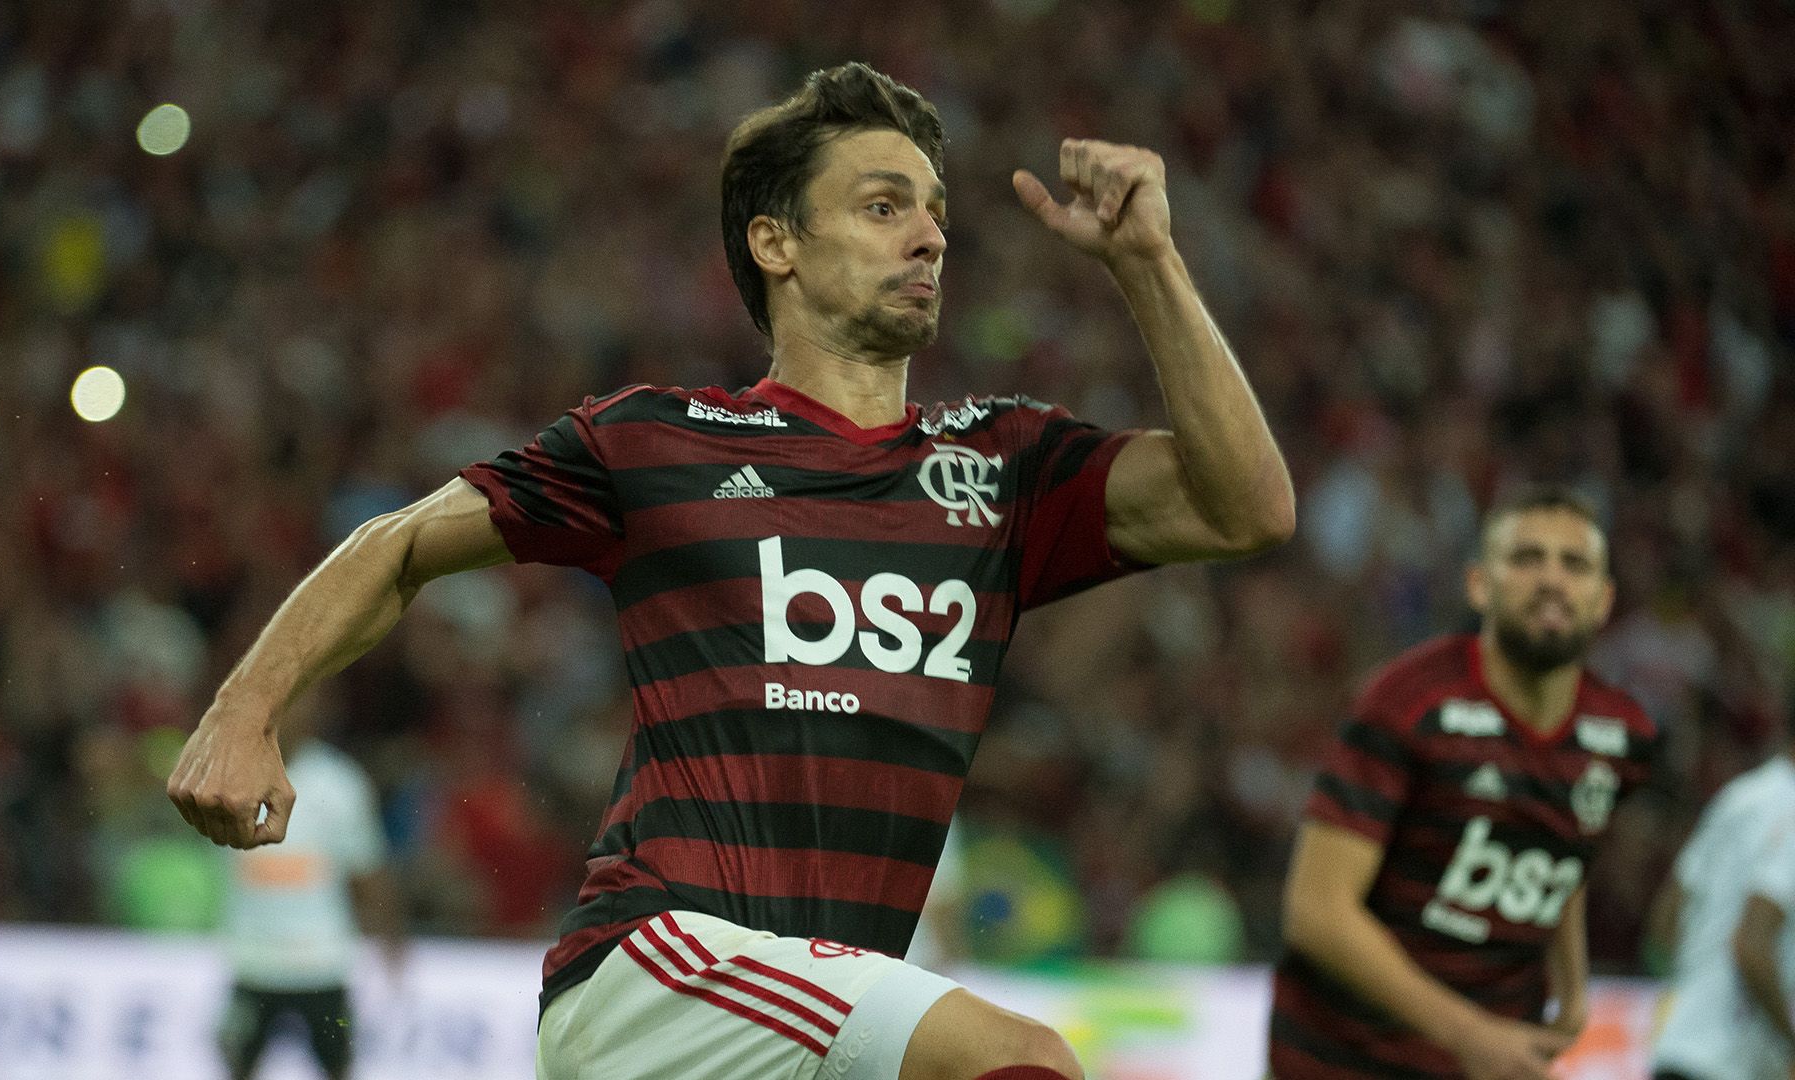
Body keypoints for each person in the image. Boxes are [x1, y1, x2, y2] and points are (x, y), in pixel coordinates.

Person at [168, 61, 1294, 1080]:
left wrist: (1147, 260)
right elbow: (401, 542)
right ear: (777, 244)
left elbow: (1245, 507)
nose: (931, 238)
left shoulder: (1002, 468)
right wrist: (244, 709)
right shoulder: (659, 442)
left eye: (937, 214)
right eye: (883, 205)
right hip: (655, 973)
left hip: (814, 1026)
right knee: (1022, 1065)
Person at [1269, 487, 1659, 1080]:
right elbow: (1317, 911)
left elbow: (1564, 851)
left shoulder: (1622, 734)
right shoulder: (1408, 704)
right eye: (1527, 558)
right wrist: (1471, 1035)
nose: (1552, 579)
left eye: (1574, 564)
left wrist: (1574, 987)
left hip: (1491, 1061)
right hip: (1345, 1059)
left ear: (1603, 600)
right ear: (1479, 585)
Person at [214, 694, 404, 1080]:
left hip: (321, 961)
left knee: (338, 1064)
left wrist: (391, 936)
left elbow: (367, 869)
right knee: (235, 1063)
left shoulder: (339, 783)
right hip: (254, 958)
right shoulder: (232, 775)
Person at [1647, 736, 1795, 1080]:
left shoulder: (1739, 796)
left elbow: (1664, 921)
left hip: (1675, 1048)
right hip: (1730, 1064)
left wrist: (1693, 994)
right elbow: (1752, 947)